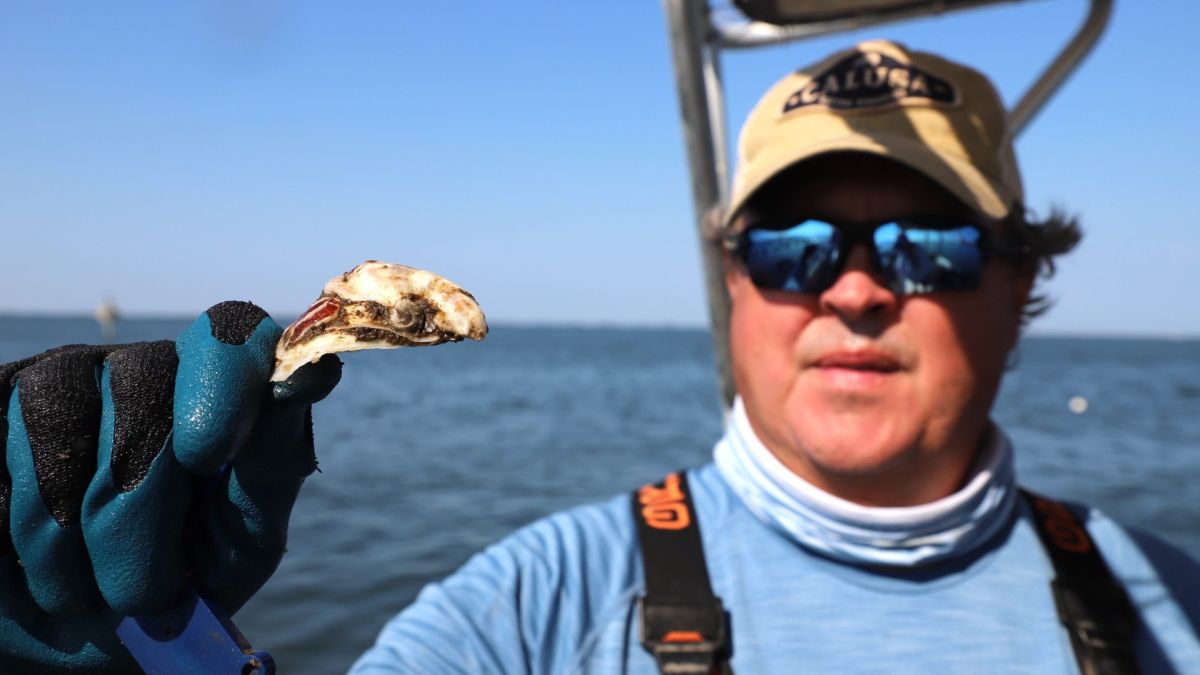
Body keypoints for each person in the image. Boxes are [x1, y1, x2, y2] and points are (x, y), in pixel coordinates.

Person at [1, 39, 1197, 674]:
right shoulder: (530, 609)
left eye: (928, 246)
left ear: (1023, 280)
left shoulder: (1174, 614)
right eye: (789, 246)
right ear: (734, 282)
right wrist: (172, 655)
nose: (852, 288)